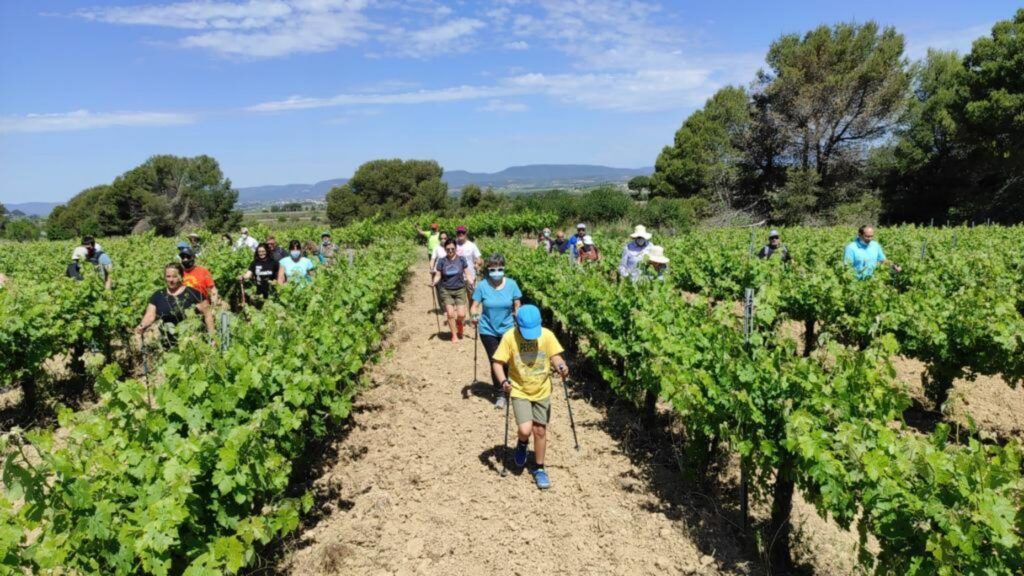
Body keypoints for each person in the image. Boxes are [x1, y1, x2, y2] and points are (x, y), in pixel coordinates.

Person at [491, 304, 570, 490]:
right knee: (525, 429)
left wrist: (561, 366)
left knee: (540, 430)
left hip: (542, 389)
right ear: (517, 325)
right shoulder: (509, 337)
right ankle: (522, 443)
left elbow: (556, 356)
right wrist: (503, 382)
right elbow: (497, 362)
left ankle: (539, 468)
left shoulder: (547, 335)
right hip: (519, 389)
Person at [470, 254, 523, 409]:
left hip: (508, 329)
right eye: (493, 269)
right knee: (496, 361)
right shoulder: (482, 286)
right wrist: (474, 316)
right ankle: (500, 393)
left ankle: (512, 386)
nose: (497, 272)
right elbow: (474, 306)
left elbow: (517, 305)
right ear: (488, 269)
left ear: (504, 269)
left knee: (509, 360)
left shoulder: (512, 285)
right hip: (488, 329)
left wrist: (520, 319)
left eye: (500, 268)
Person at [135, 262, 215, 347]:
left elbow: (208, 315)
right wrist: (142, 325)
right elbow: (150, 316)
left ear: (181, 277)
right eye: (168, 276)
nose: (171, 280)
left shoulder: (193, 293)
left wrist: (212, 338)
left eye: (174, 276)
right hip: (170, 344)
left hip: (193, 342)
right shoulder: (158, 295)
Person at [431, 238, 471, 343]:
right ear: (445, 249)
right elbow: (438, 275)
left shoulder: (461, 259)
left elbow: (467, 273)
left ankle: (459, 323)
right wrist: (434, 282)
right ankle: (454, 335)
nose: (450, 251)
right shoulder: (441, 261)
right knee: (450, 313)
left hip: (460, 289)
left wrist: (471, 280)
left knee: (461, 314)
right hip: (446, 289)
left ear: (456, 248)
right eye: (448, 249)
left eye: (452, 249)